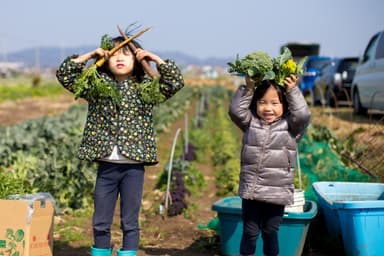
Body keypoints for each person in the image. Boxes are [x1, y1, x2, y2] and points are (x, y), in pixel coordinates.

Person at [56, 34, 184, 256]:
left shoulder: (145, 89)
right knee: (100, 221)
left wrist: (154, 59)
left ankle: (128, 252)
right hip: (107, 166)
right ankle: (102, 251)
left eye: (126, 53)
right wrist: (90, 55)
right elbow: (65, 74)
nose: (119, 58)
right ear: (106, 60)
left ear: (136, 60)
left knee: (130, 221)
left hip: (133, 168)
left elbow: (174, 83)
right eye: (113, 54)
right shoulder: (97, 86)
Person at [228, 74, 311, 256]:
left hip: (277, 193)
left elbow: (303, 115)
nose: (268, 108)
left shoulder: (291, 127)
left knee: (270, 232)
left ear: (285, 105)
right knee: (250, 232)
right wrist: (248, 88)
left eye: (275, 103)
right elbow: (235, 111)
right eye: (262, 102)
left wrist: (292, 90)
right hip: (252, 192)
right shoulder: (251, 123)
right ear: (255, 103)